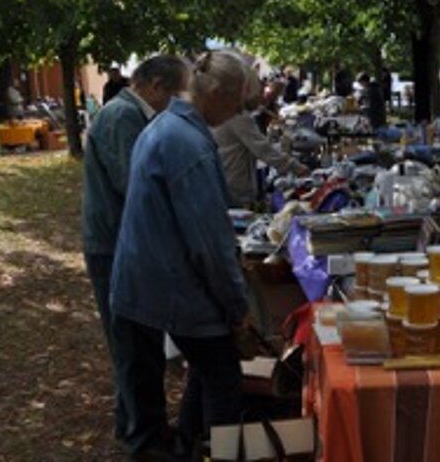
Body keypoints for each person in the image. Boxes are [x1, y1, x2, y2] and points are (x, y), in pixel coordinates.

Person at [110, 51, 252, 460]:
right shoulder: (187, 143)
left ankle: (187, 447)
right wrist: (235, 304)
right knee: (222, 376)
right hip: (172, 286)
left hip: (150, 279)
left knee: (206, 371)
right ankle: (214, 452)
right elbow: (209, 244)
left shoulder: (165, 126)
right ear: (217, 93)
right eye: (238, 100)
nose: (239, 110)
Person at [82, 55, 189, 453]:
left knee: (138, 345)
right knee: (133, 347)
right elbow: (136, 184)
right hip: (113, 247)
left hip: (121, 243)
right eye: (177, 94)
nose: (179, 104)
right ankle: (145, 440)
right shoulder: (122, 117)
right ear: (157, 86)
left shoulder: (132, 116)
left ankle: (133, 425)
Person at [213, 66, 309, 208]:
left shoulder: (223, 110)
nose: (260, 92)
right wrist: (297, 167)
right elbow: (263, 150)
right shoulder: (237, 115)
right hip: (235, 187)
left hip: (225, 182)